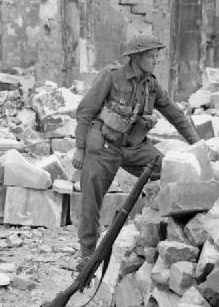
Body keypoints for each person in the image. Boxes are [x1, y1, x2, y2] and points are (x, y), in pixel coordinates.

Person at [72, 34, 201, 271]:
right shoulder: (111, 77)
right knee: (91, 203)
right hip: (103, 147)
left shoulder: (151, 85)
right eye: (151, 56)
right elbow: (85, 111)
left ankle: (163, 233)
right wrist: (80, 149)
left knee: (170, 171)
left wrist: (198, 146)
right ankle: (87, 257)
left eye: (156, 56)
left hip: (134, 148)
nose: (155, 61)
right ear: (136, 57)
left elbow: (176, 115)